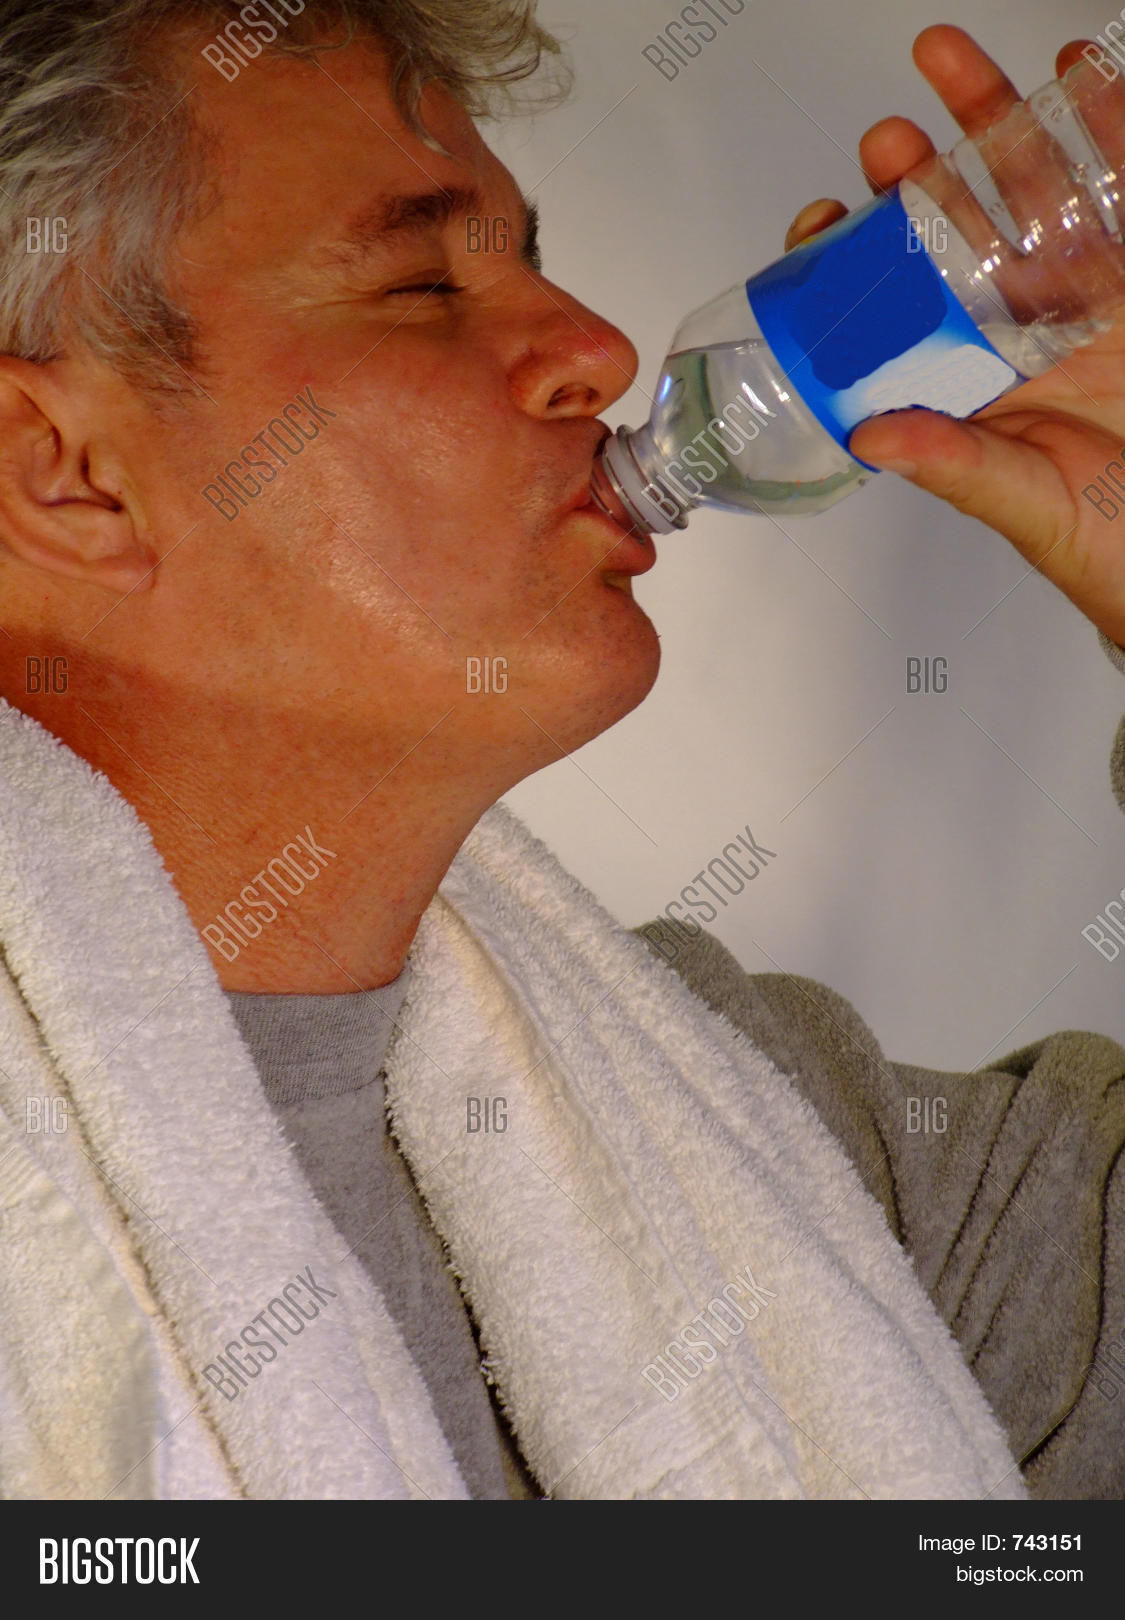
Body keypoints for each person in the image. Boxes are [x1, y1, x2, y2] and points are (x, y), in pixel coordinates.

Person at [0, 2, 1121, 1500]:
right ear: (63, 475)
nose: (597, 348)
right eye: (419, 284)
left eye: (531, 257)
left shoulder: (752, 1136)